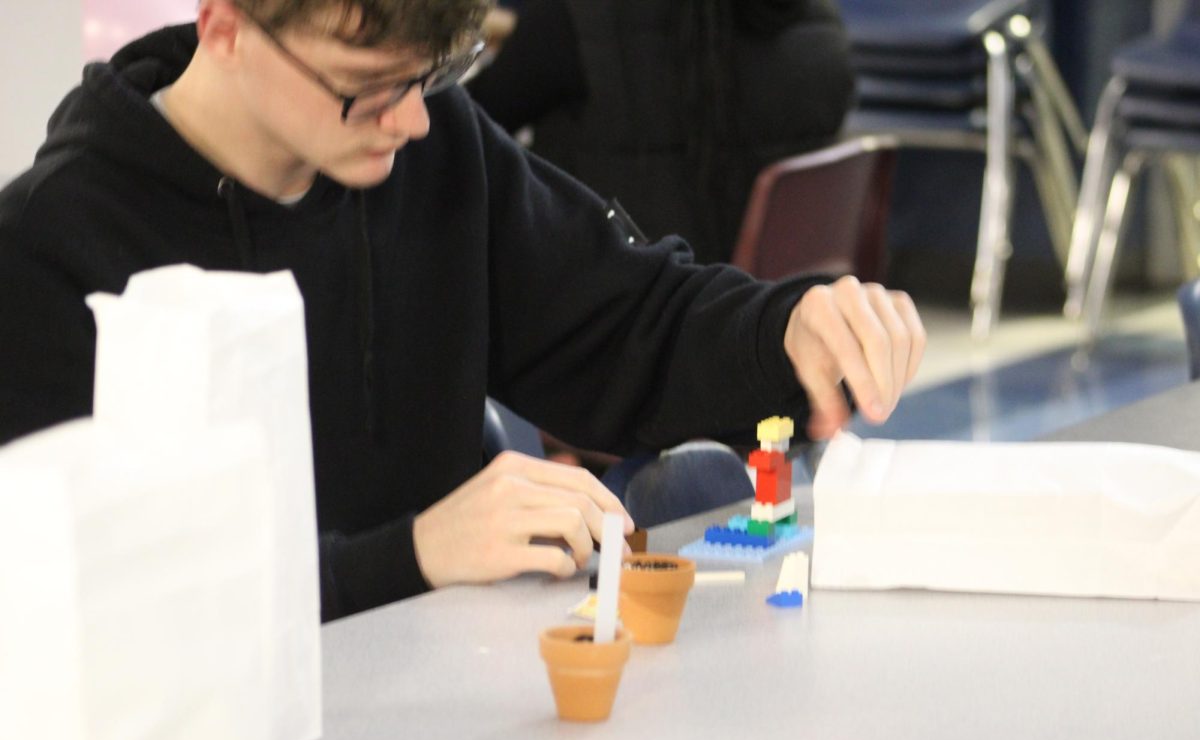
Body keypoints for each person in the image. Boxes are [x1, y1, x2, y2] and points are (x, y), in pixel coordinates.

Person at [0, 0, 924, 622]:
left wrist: (789, 330)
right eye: (364, 87)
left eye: (434, 77)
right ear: (227, 24)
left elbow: (627, 323)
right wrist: (409, 556)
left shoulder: (433, 156)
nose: (411, 123)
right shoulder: (51, 249)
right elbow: (84, 606)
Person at [467, 0, 855, 264]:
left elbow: (463, 125)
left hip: (632, 322)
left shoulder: (581, 19)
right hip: (775, 319)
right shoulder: (818, 23)